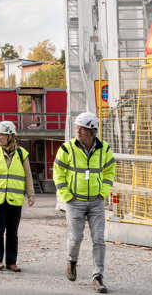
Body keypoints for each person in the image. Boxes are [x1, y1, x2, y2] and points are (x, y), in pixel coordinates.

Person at [53, 112, 115, 293]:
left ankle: (98, 277)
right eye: (77, 128)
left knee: (99, 240)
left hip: (96, 202)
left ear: (93, 131)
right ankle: (71, 261)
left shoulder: (105, 149)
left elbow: (109, 171)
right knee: (76, 237)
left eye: (83, 129)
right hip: (75, 201)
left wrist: (103, 193)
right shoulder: (67, 149)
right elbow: (58, 172)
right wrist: (66, 195)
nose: (78, 131)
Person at [0, 120, 35, 272]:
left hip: (15, 200)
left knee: (12, 233)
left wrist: (31, 195)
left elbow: (28, 176)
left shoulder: (21, 154)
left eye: (2, 135)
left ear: (11, 136)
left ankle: (11, 262)